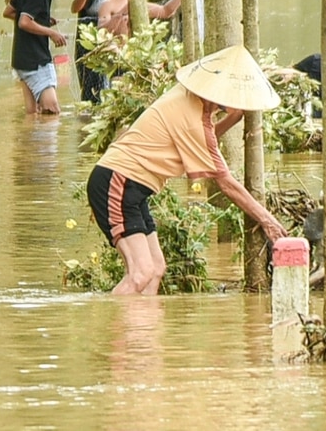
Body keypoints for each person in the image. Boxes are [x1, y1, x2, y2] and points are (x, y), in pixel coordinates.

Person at [87, 44, 288, 295]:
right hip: (118, 180)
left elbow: (202, 141)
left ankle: (141, 332)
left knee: (155, 269)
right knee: (140, 274)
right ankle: (112, 329)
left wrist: (234, 118)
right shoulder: (193, 120)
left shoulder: (186, 98)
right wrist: (267, 220)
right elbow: (225, 182)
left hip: (133, 187)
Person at [5, 0, 77, 115]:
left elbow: (9, 12)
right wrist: (51, 32)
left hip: (21, 59)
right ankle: (45, 141)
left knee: (33, 114)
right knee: (52, 111)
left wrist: (41, 21)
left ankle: (29, 141)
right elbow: (23, 22)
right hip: (35, 60)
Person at [70, 0, 117, 103]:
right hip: (87, 50)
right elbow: (75, 8)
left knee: (103, 92)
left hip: (102, 49)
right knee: (91, 94)